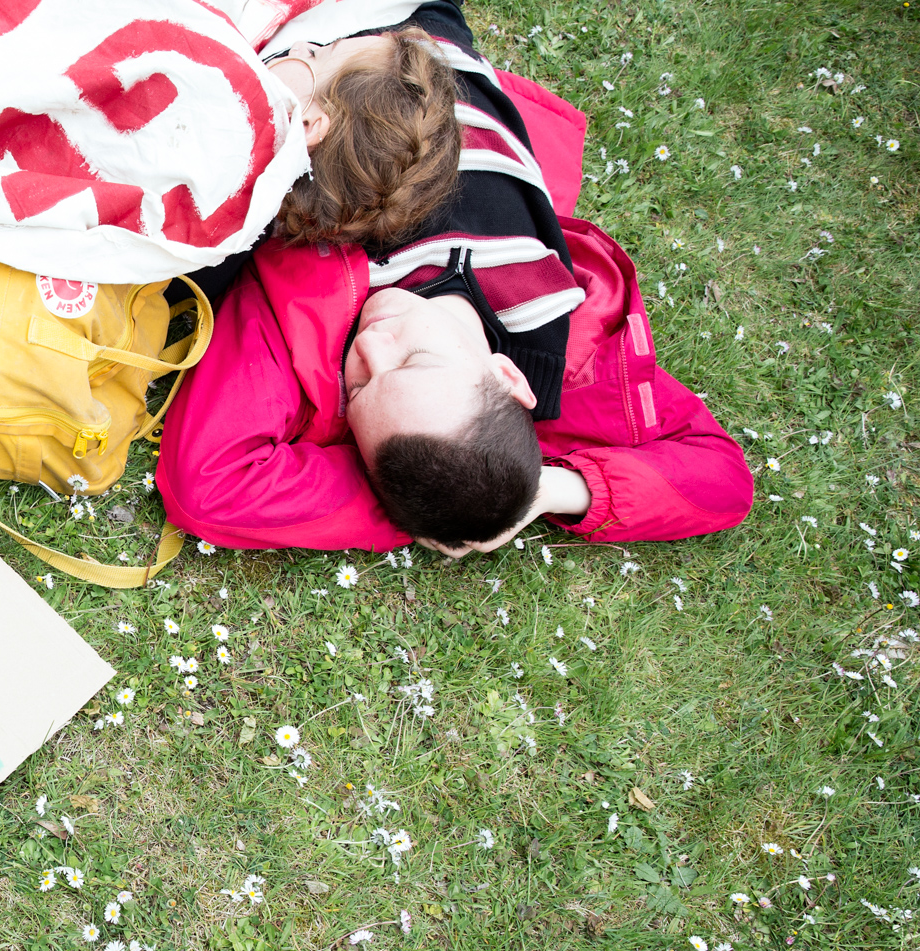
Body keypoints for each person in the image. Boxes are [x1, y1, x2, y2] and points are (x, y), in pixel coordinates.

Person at [155, 2, 754, 553]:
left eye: (359, 384)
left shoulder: (303, 319)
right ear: (507, 376)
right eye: (414, 359)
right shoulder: (568, 353)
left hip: (312, 59)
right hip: (415, 24)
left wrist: (453, 503)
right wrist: (536, 490)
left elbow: (210, 483)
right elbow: (723, 479)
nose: (372, 344)